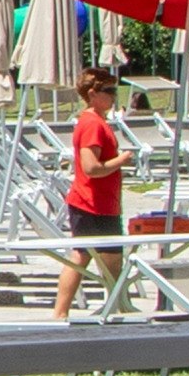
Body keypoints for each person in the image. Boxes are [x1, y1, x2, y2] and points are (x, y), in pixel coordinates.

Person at [52, 66, 130, 319]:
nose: (114, 95)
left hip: (101, 203)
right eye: (109, 91)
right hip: (91, 203)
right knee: (84, 257)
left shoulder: (96, 122)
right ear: (94, 93)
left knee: (107, 259)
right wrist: (122, 159)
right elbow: (91, 168)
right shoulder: (92, 125)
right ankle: (61, 312)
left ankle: (118, 306)